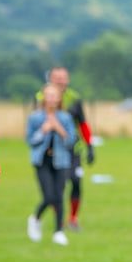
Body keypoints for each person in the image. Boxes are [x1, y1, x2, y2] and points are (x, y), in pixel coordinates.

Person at [26, 83, 77, 246]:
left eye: (54, 96)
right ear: (43, 97)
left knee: (60, 196)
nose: (51, 99)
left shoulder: (65, 117)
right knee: (49, 197)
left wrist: (60, 129)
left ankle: (58, 231)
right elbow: (30, 140)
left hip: (61, 160)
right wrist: (44, 130)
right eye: (48, 95)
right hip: (42, 160)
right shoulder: (35, 117)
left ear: (59, 98)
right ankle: (35, 218)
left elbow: (71, 140)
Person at [46, 67, 95, 231]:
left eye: (63, 78)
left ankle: (73, 218)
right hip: (51, 149)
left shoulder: (74, 99)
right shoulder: (41, 97)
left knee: (75, 181)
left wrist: (90, 146)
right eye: (56, 77)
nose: (60, 81)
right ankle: (58, 217)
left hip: (72, 148)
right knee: (55, 186)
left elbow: (83, 124)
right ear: (50, 79)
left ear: (68, 80)